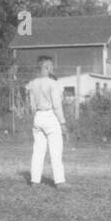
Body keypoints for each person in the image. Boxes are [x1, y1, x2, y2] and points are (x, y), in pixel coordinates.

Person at [26, 55, 67, 187]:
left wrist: (36, 116)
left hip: (38, 116)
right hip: (50, 116)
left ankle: (35, 181)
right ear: (47, 67)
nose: (53, 68)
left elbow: (31, 104)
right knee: (55, 151)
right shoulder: (53, 84)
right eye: (51, 66)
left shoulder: (33, 83)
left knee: (38, 151)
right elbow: (57, 105)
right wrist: (62, 122)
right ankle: (60, 181)